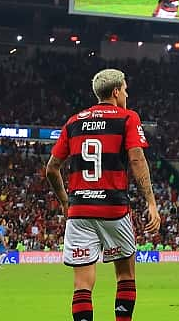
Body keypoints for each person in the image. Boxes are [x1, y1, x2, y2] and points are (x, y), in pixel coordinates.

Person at [45, 69, 161, 321]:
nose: (127, 95)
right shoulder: (127, 118)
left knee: (82, 285)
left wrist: (66, 202)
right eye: (126, 90)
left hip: (79, 212)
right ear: (116, 91)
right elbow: (137, 159)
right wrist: (151, 202)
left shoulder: (73, 122)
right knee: (126, 276)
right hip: (113, 209)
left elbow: (51, 168)